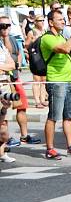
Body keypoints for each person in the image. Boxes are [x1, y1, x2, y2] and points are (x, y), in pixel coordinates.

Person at [41, 9, 71, 159]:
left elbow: (70, 50)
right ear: (51, 22)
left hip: (69, 80)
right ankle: (50, 148)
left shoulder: (60, 36)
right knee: (53, 116)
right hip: (56, 81)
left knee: (70, 116)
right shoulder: (47, 38)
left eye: (63, 19)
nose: (63, 22)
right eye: (59, 19)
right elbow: (65, 49)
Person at [1, 16, 40, 145]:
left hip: (14, 77)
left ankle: (24, 135)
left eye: (7, 25)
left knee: (22, 106)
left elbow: (16, 53)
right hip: (3, 79)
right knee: (4, 110)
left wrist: (17, 63)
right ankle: (5, 137)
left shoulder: (12, 38)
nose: (5, 28)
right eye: (2, 25)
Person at [24, 15, 48, 108]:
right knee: (36, 79)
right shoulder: (32, 32)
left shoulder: (45, 31)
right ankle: (37, 101)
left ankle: (42, 100)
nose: (42, 22)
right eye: (40, 20)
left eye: (43, 20)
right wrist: (33, 41)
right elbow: (26, 44)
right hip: (35, 57)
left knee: (44, 80)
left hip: (43, 57)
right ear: (35, 22)